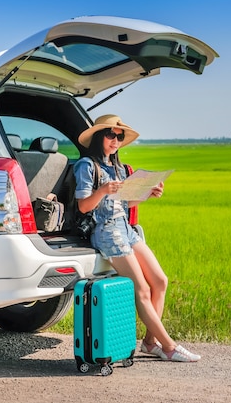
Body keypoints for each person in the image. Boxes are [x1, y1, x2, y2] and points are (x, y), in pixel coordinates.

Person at [74, 114, 200, 362]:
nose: (116, 140)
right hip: (106, 231)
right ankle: (170, 347)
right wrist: (101, 190)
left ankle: (150, 342)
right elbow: (83, 207)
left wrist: (146, 194)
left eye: (119, 136)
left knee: (160, 281)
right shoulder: (87, 166)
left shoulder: (119, 168)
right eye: (111, 134)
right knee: (140, 288)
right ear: (100, 136)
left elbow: (124, 202)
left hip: (125, 228)